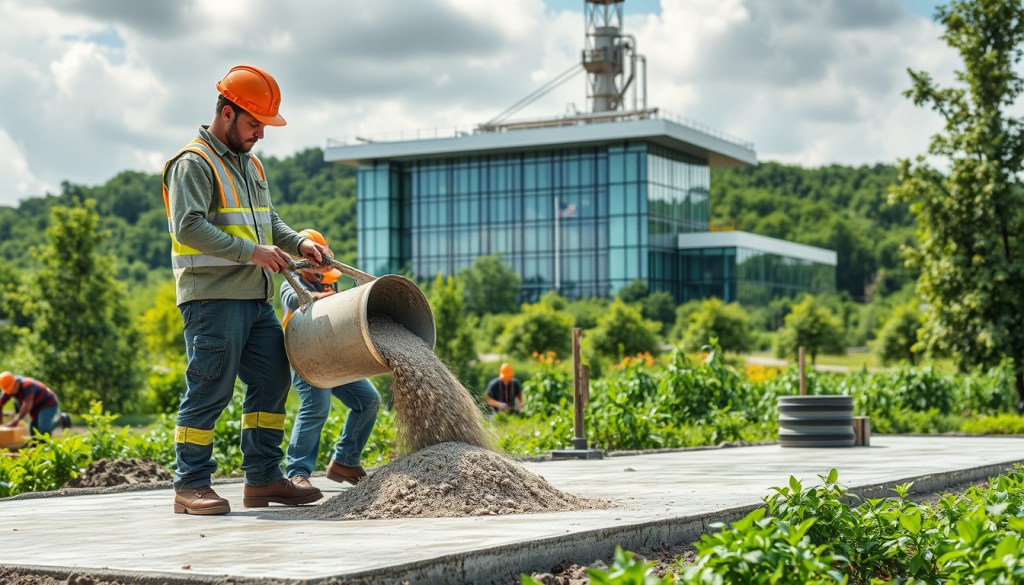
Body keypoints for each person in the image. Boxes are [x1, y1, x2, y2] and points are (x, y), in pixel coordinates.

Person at [162, 64, 328, 515]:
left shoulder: (250, 164)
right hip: (212, 299)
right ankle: (190, 485)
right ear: (228, 113)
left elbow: (267, 222)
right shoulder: (194, 163)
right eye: (255, 123)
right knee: (209, 389)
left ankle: (263, 479)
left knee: (273, 383)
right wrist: (252, 253)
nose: (261, 134)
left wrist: (300, 243)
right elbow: (189, 226)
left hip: (256, 300)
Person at [280, 229, 381, 488]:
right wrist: (319, 297)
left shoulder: (329, 282)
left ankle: (345, 461)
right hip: (305, 356)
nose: (322, 274)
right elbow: (294, 299)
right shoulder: (290, 281)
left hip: (333, 355)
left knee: (368, 400)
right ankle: (297, 473)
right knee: (316, 407)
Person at [0, 371, 72, 436]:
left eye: (11, 389)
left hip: (48, 403)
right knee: (33, 431)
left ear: (15, 382)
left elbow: (27, 406)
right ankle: (36, 446)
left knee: (43, 430)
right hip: (35, 408)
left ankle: (60, 419)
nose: (10, 392)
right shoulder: (8, 390)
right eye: (8, 391)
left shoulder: (28, 385)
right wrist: (1, 425)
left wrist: (15, 420)